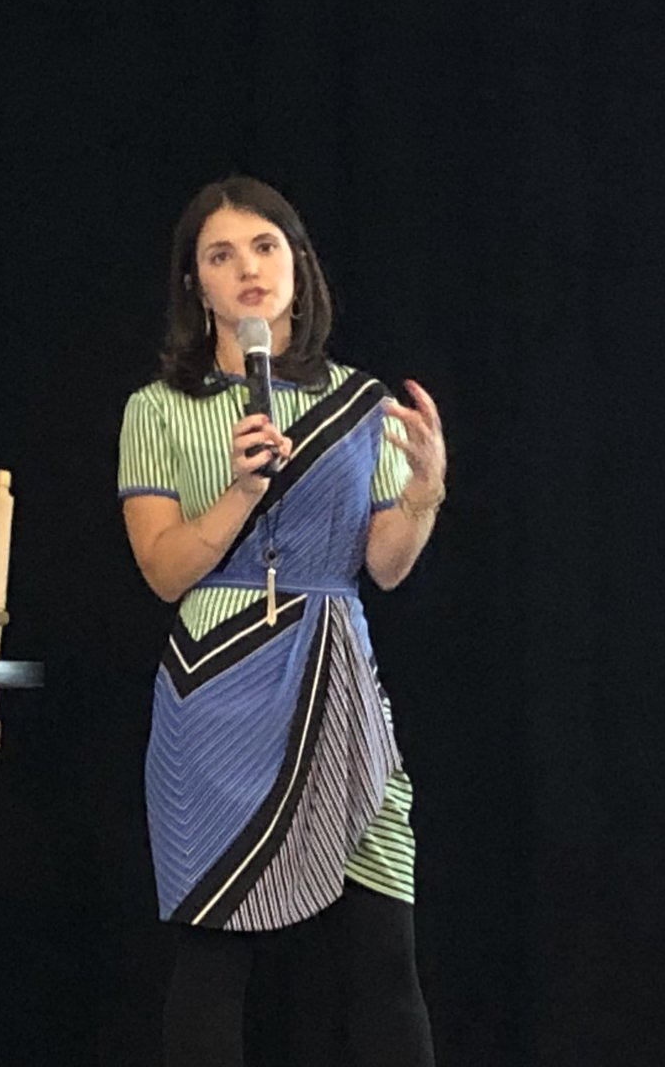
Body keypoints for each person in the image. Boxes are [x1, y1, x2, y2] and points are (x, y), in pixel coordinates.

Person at [117, 176, 446, 1067]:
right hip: (214, 689)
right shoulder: (157, 409)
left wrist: (424, 492)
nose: (247, 269)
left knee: (383, 952)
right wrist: (239, 492)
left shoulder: (360, 401)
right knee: (214, 958)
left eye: (264, 247)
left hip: (336, 672)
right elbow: (162, 571)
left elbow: (385, 566)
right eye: (220, 255)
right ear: (196, 284)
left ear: (298, 265)